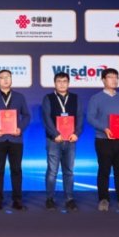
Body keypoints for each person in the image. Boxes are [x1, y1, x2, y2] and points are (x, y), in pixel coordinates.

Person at [85, 69, 119, 212]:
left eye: (116, 77)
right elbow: (90, 117)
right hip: (103, 140)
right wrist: (105, 128)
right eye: (110, 77)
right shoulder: (96, 98)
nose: (114, 80)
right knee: (104, 170)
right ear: (103, 80)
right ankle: (104, 199)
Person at [0, 69, 31, 211]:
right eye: (2, 77)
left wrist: (20, 128)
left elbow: (26, 116)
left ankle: (17, 200)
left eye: (8, 77)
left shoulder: (20, 97)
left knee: (16, 170)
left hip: (16, 139)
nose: (5, 79)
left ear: (11, 79)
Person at [41, 71, 83, 211]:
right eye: (59, 81)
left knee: (69, 172)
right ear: (55, 83)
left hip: (70, 140)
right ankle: (50, 199)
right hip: (54, 141)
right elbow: (47, 118)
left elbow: (80, 117)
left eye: (65, 81)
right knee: (52, 172)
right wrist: (55, 134)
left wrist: (77, 133)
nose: (62, 84)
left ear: (68, 83)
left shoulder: (75, 98)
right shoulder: (48, 98)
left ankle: (69, 199)